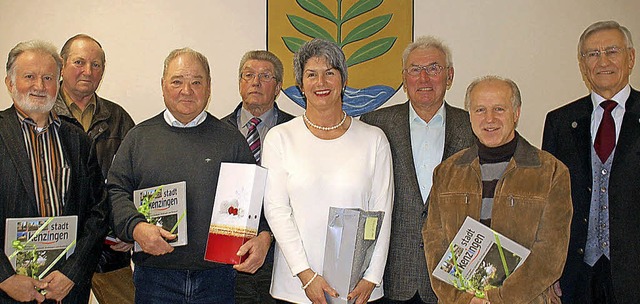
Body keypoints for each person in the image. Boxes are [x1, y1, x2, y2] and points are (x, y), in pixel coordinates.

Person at [107, 47, 257, 303]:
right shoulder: (138, 138)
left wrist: (262, 234)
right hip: (155, 277)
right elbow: (115, 191)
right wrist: (136, 227)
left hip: (217, 278)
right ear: (163, 85)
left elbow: (255, 199)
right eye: (177, 81)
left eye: (196, 82)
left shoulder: (231, 140)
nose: (187, 90)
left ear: (208, 88)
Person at [263, 38, 393, 304]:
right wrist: (306, 276)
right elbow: (277, 211)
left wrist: (372, 276)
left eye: (329, 73)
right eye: (311, 74)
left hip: (358, 289)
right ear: (300, 85)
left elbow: (383, 211)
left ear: (344, 81)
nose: (321, 82)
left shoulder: (374, 139)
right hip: (296, 287)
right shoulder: (280, 138)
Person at [424, 76, 572, 304]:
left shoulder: (551, 172)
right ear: (470, 116)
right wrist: (463, 299)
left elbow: (549, 256)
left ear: (516, 113)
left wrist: (498, 299)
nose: (489, 119)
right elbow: (435, 243)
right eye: (480, 110)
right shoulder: (446, 173)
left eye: (499, 109)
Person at [360, 36, 474, 303]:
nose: (424, 78)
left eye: (434, 68)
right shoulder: (376, 125)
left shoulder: (473, 127)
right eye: (415, 70)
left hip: (452, 276)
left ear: (450, 76)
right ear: (403, 77)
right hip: (391, 275)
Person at [0, 40, 107, 303]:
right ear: (10, 83)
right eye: (29, 76)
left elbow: (98, 212)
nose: (39, 85)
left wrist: (73, 273)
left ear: (58, 82)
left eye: (48, 77)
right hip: (8, 292)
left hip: (66, 290)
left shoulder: (78, 140)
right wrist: (5, 278)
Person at [542, 20, 639, 304]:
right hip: (576, 274)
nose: (603, 61)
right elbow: (549, 205)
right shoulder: (560, 122)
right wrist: (549, 271)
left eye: (612, 51)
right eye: (592, 54)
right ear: (583, 64)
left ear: (630, 58)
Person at [52, 33, 136, 304]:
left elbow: (138, 180)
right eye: (79, 62)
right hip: (56, 256)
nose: (88, 71)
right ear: (61, 66)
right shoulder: (42, 114)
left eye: (96, 64)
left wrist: (130, 226)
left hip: (112, 253)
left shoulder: (119, 118)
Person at [222, 50, 294, 304]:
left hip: (282, 259)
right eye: (248, 75)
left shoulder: (297, 133)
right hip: (227, 260)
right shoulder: (216, 132)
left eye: (265, 76)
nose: (255, 82)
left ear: (278, 88)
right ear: (240, 82)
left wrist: (268, 235)